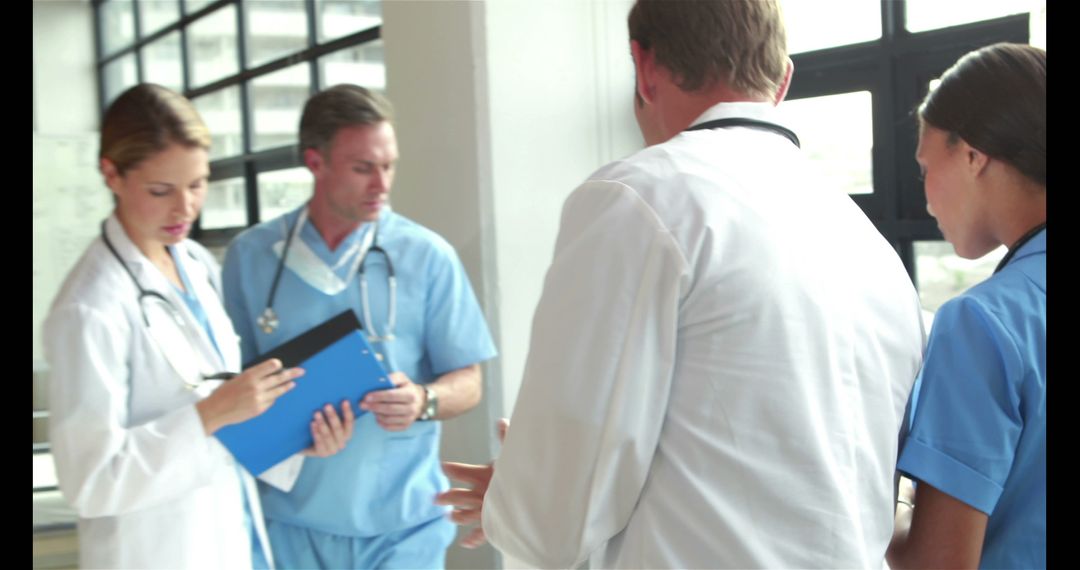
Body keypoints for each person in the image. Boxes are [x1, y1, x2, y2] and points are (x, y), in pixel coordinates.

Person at [436, 1, 927, 567]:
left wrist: (521, 494)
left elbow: (557, 511)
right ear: (783, 80)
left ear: (643, 66)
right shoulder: (868, 242)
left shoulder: (638, 198)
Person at [43, 83, 355, 570]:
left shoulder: (193, 262)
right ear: (112, 174)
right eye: (161, 190)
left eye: (197, 185)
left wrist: (296, 439)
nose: (184, 208)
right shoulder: (89, 308)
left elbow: (227, 416)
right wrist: (209, 415)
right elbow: (90, 483)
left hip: (230, 538)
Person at [221, 84, 498, 569]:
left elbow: (469, 382)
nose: (381, 185)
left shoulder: (427, 257)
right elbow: (227, 394)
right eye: (363, 168)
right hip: (289, 524)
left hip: (404, 525)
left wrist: (423, 400)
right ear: (315, 162)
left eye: (388, 165)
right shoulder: (252, 258)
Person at [886, 43, 1046, 569]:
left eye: (926, 167)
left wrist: (881, 508)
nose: (927, 197)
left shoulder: (983, 323)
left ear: (974, 154)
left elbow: (938, 564)